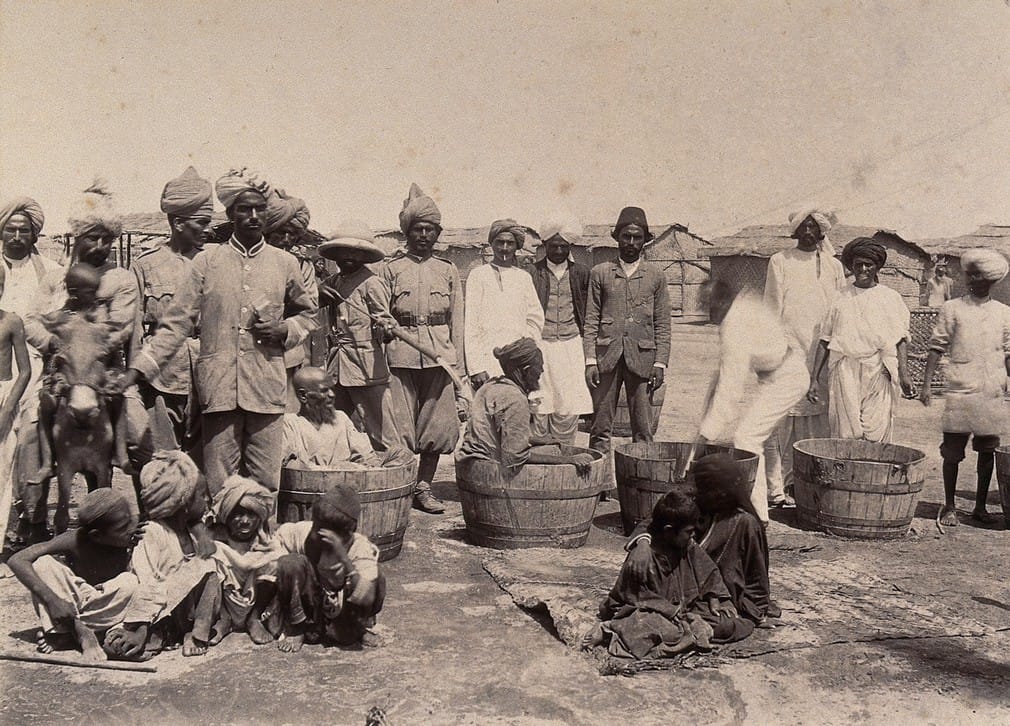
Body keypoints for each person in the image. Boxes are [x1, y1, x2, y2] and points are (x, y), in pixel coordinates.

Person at [124, 169, 319, 495]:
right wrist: (139, 367)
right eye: (244, 209)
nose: (253, 216)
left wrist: (285, 329)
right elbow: (176, 323)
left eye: (259, 209)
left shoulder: (285, 263)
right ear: (230, 213)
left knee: (265, 485)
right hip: (218, 392)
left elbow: (310, 314)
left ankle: (262, 545)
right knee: (220, 485)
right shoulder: (208, 262)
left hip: (267, 391)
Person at [582, 489, 753, 660]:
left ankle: (686, 633)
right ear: (669, 531)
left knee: (728, 625)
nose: (693, 535)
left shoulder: (687, 545)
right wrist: (670, 610)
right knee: (652, 628)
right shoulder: (642, 558)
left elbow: (709, 571)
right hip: (651, 612)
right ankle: (608, 629)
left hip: (685, 609)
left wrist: (714, 596)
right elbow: (635, 596)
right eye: (689, 531)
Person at [380, 184, 466, 514]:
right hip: (400, 357)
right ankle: (399, 489)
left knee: (436, 428)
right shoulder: (391, 268)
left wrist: (456, 365)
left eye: (430, 229)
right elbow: (382, 315)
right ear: (407, 231)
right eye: (418, 228)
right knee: (399, 427)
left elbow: (456, 319)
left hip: (439, 357)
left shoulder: (447, 270)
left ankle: (423, 487)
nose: (424, 235)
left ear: (438, 233)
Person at [693, 282, 808, 522]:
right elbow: (721, 376)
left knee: (746, 438)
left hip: (787, 378)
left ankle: (758, 515)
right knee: (764, 438)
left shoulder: (735, 326)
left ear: (722, 301)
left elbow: (730, 387)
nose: (705, 310)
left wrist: (706, 434)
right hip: (780, 373)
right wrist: (704, 421)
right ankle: (774, 493)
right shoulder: (741, 306)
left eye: (708, 304)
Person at [622, 454, 776, 625]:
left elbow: (757, 576)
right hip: (683, 589)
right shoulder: (696, 503)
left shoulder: (744, 523)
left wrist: (754, 613)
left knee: (722, 625)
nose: (701, 494)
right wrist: (642, 543)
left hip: (720, 596)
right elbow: (655, 522)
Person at [920, 249, 1010, 527]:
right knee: (952, 451)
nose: (973, 279)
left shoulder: (1004, 313)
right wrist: (926, 384)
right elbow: (937, 346)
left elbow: (1008, 353)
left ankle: (980, 507)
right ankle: (949, 506)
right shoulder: (952, 308)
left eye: (979, 275)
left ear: (991, 280)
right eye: (970, 273)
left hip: (991, 390)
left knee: (986, 451)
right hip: (959, 388)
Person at [103, 451, 221, 660]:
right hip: (150, 609)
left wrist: (202, 535)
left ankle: (196, 635)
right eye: (202, 496)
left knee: (209, 568)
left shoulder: (192, 530)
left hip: (182, 610)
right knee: (115, 645)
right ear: (183, 502)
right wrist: (140, 628)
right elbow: (148, 582)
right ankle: (152, 635)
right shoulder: (153, 532)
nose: (208, 501)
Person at [762, 209, 845, 505]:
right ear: (796, 231)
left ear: (822, 232)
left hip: (822, 351)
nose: (809, 231)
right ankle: (776, 487)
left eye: (814, 226)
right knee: (783, 419)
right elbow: (772, 306)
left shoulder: (834, 266)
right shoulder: (780, 261)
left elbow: (840, 307)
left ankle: (806, 483)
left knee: (819, 417)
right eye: (804, 226)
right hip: (789, 348)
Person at [130, 166, 213, 453]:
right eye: (201, 223)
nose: (208, 229)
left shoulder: (215, 262)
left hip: (209, 373)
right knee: (163, 456)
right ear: (178, 223)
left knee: (206, 458)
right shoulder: (145, 264)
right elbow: (134, 330)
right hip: (162, 376)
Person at [7, 488, 139, 662]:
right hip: (77, 603)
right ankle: (83, 633)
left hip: (110, 605)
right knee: (43, 564)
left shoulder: (134, 538)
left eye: (131, 521)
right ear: (96, 536)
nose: (132, 528)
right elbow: (17, 560)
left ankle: (68, 633)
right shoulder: (74, 540)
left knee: (131, 582)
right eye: (123, 527)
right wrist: (53, 601)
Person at [1, 197, 65, 547]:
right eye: (9, 229)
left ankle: (31, 522)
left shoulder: (52, 271)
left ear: (34, 234)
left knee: (30, 445)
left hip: (34, 369)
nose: (15, 236)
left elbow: (57, 325)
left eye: (23, 230)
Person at [583, 207, 671, 453]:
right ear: (617, 238)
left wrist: (660, 363)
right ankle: (597, 485)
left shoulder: (656, 276)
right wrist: (591, 360)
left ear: (644, 241)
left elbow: (663, 323)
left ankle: (641, 484)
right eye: (626, 236)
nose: (631, 243)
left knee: (643, 430)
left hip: (643, 359)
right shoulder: (600, 272)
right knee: (600, 428)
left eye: (637, 237)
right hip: (606, 358)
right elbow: (591, 320)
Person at [808, 237, 913, 443]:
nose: (863, 269)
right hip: (845, 369)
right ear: (851, 267)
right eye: (858, 265)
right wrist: (813, 379)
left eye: (868, 264)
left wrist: (903, 374)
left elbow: (900, 339)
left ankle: (872, 473)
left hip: (879, 369)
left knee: (877, 432)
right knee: (847, 433)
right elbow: (825, 340)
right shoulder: (839, 297)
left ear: (877, 267)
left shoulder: (890, 298)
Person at [259, 486, 385, 653]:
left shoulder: (359, 546)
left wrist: (344, 560)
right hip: (311, 605)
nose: (315, 533)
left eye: (323, 530)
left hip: (343, 610)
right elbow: (275, 545)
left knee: (377, 578)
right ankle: (299, 628)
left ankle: (357, 628)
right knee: (290, 562)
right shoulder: (302, 533)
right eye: (316, 525)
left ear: (345, 534)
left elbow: (367, 596)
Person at [318, 222, 403, 455]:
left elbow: (383, 319)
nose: (348, 257)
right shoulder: (332, 283)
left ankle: (396, 476)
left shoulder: (372, 283)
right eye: (342, 251)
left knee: (382, 430)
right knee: (331, 426)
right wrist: (318, 291)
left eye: (355, 252)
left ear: (364, 255)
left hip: (366, 367)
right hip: (337, 366)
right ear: (334, 254)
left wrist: (385, 329)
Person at [457, 337, 594, 474]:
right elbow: (514, 457)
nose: (540, 374)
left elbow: (499, 433)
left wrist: (536, 440)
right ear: (526, 370)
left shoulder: (492, 385)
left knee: (551, 446)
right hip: (488, 469)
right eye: (538, 368)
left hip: (471, 463)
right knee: (555, 451)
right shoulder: (515, 399)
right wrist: (569, 460)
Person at [528, 217, 593, 445]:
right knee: (539, 400)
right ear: (544, 246)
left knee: (567, 401)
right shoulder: (532, 273)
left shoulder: (582, 274)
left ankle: (565, 451)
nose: (557, 250)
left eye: (563, 246)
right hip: (540, 344)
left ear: (570, 247)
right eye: (553, 246)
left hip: (571, 344)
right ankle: (540, 451)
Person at [464, 219, 544, 388]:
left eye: (510, 243)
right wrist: (476, 367)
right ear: (491, 244)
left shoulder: (523, 278)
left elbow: (535, 318)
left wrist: (526, 350)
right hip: (487, 357)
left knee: (518, 407)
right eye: (500, 242)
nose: (505, 248)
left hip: (517, 360)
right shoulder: (478, 276)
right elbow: (471, 324)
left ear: (517, 246)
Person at [283, 367, 412, 470]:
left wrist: (368, 467)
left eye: (332, 389)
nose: (332, 395)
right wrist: (338, 469)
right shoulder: (289, 423)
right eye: (324, 391)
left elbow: (365, 455)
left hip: (351, 483)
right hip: (315, 487)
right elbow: (292, 466)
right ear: (303, 396)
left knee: (402, 453)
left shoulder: (340, 417)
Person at [263, 189, 318, 411]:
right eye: (280, 232)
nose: (286, 240)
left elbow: (310, 312)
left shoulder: (303, 266)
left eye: (292, 234)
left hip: (288, 354)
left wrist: (285, 329)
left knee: (287, 418)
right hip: (249, 356)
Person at [209, 475, 278, 644]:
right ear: (226, 516)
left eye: (252, 515)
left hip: (254, 598)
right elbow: (243, 564)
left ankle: (255, 618)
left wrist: (266, 546)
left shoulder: (263, 539)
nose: (245, 521)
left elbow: (278, 552)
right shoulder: (218, 538)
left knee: (275, 564)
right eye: (238, 515)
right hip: (225, 602)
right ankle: (223, 620)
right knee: (209, 563)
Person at [0, 264, 31, 540]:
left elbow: (25, 370)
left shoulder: (11, 321)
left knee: (1, 472)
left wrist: (8, 407)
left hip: (3, 397)